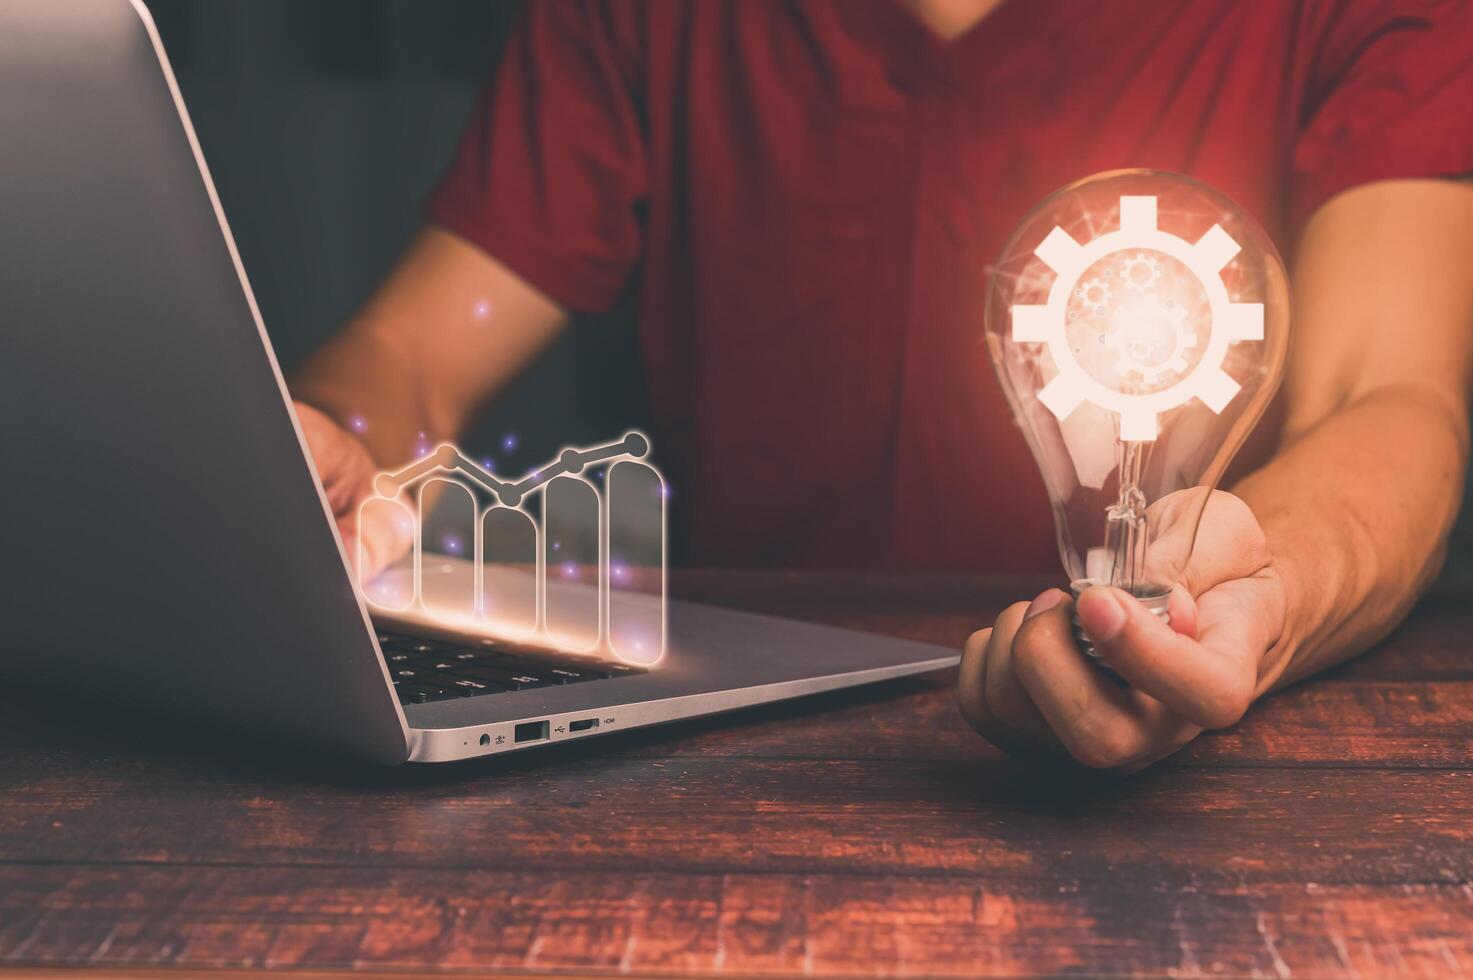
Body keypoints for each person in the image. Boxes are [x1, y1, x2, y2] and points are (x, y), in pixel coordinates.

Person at [291, 0, 1473, 771]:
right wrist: (312, 445)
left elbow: (1386, 397)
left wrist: (1260, 595)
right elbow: (411, 360)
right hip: (732, 756)